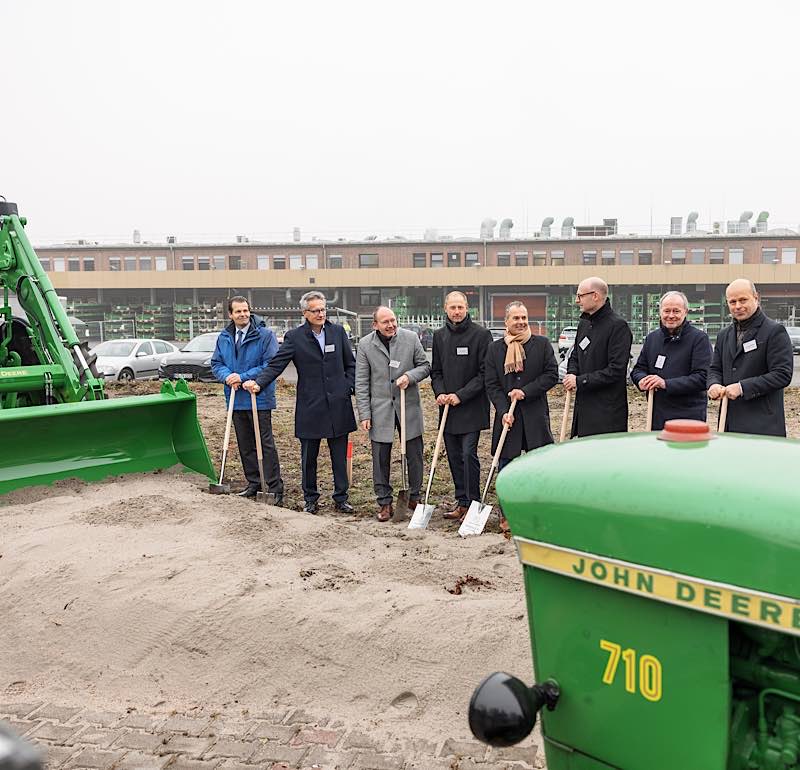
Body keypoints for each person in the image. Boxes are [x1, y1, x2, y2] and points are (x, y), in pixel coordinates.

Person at [244, 291, 356, 513]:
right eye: (315, 310)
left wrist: (347, 386)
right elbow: (277, 364)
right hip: (310, 406)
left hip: (338, 405)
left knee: (339, 456)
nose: (321, 314)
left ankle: (341, 497)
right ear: (305, 313)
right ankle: (311, 499)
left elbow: (350, 364)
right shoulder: (295, 337)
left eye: (323, 309)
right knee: (309, 458)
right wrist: (259, 382)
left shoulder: (337, 332)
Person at [355, 306, 431, 522]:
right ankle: (384, 501)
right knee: (380, 456)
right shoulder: (365, 345)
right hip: (380, 409)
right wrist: (365, 414)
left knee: (415, 454)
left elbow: (425, 366)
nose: (391, 325)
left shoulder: (410, 338)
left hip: (408, 406)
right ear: (375, 325)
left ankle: (414, 496)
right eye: (385, 322)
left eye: (393, 320)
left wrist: (409, 376)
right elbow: (361, 382)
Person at [211, 296, 283, 501]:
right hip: (235, 397)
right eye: (238, 311)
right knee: (245, 443)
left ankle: (274, 486)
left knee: (264, 444)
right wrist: (228, 377)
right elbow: (216, 363)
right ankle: (254, 482)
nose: (243, 314)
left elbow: (270, 364)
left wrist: (242, 377)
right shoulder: (224, 337)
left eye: (245, 310)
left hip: (257, 397)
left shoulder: (265, 335)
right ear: (230, 314)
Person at [431, 291, 493, 522]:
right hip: (447, 408)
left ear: (467, 308)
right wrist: (440, 393)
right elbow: (435, 371)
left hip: (472, 407)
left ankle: (474, 501)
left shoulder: (481, 335)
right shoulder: (439, 336)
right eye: (452, 307)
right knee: (454, 456)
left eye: (461, 307)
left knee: (469, 454)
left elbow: (484, 373)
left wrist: (461, 395)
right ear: (445, 309)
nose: (457, 311)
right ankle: (462, 501)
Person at [707, 278, 793, 436]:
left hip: (762, 425)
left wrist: (742, 387)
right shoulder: (723, 335)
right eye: (732, 302)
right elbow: (715, 369)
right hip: (729, 422)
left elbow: (782, 374)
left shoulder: (774, 331)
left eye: (743, 300)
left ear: (756, 297)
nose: (738, 306)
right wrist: (713, 385)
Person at [485, 301, 558, 472]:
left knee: (540, 468)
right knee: (507, 468)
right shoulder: (494, 349)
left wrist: (525, 392)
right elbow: (491, 384)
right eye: (516, 318)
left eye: (524, 317)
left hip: (535, 416)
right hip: (509, 419)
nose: (521, 321)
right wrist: (503, 412)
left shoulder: (542, 344)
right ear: (506, 322)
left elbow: (551, 375)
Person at [631, 291, 712, 430]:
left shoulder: (699, 339)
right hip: (657, 414)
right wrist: (642, 380)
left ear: (685, 312)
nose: (671, 315)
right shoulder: (652, 338)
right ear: (660, 312)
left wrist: (665, 384)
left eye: (676, 311)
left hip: (688, 415)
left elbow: (703, 378)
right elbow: (638, 369)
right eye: (667, 311)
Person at [564, 277, 633, 437]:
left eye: (580, 296)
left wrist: (580, 381)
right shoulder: (584, 324)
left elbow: (616, 371)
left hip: (607, 414)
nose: (576, 301)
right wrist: (572, 373)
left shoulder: (618, 327)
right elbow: (575, 355)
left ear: (594, 296)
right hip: (584, 409)